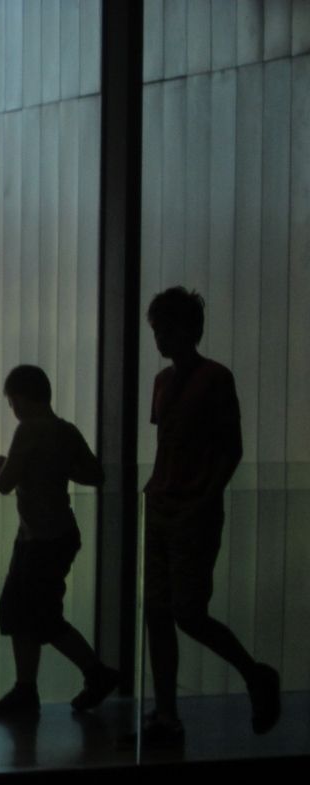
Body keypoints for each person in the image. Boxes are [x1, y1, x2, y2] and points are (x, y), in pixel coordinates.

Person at [141, 286, 280, 739]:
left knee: (183, 612)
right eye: (157, 330)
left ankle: (253, 675)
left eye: (165, 329)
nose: (159, 338)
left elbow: (229, 450)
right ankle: (167, 713)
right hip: (166, 506)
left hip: (188, 510)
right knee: (163, 613)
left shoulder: (214, 379)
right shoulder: (166, 382)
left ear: (188, 331)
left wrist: (201, 500)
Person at [0, 365, 118, 716]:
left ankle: (91, 674)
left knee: (33, 615)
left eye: (12, 401)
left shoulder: (28, 430)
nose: (12, 408)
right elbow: (95, 474)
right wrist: (57, 467)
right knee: (29, 611)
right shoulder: (65, 430)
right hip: (56, 534)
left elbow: (4, 483)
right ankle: (28, 689)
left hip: (40, 539)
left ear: (23, 399)